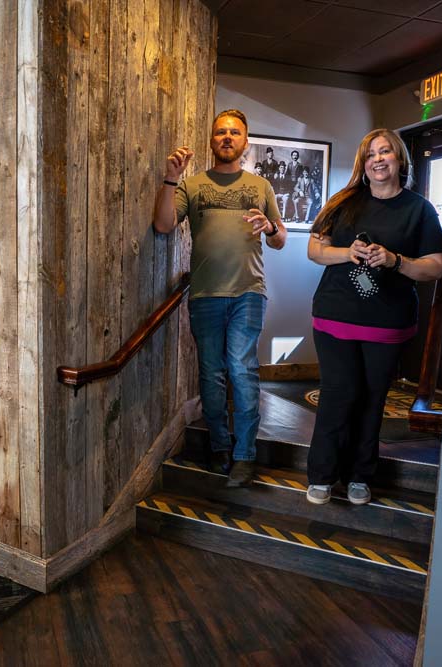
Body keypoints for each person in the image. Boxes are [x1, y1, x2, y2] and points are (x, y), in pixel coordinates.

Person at [304, 128, 442, 506]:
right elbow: (315, 250)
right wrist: (347, 253)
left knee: (371, 399)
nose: (377, 160)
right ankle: (321, 475)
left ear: (400, 159)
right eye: (370, 154)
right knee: (338, 394)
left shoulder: (420, 210)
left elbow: (434, 266)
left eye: (385, 152)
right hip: (335, 315)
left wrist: (395, 260)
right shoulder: (343, 201)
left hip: (387, 323)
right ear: (363, 164)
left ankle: (359, 476)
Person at [152, 109, 287, 487]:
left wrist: (270, 226)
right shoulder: (192, 185)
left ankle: (244, 455)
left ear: (245, 141)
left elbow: (280, 240)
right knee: (211, 374)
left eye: (235, 132)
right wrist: (171, 178)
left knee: (241, 369)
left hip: (249, 293)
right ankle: (219, 447)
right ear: (212, 140)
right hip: (205, 295)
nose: (227, 137)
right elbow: (163, 224)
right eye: (221, 132)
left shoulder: (260, 186)